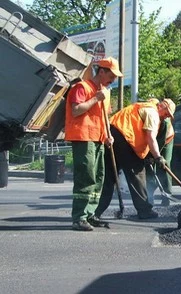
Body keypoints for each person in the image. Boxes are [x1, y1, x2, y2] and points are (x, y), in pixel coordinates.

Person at [64, 56, 123, 231]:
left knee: (99, 177)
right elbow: (76, 110)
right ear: (102, 71)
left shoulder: (105, 91)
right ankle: (79, 217)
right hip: (83, 138)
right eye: (111, 75)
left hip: (98, 139)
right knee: (86, 177)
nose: (113, 80)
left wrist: (107, 135)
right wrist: (96, 98)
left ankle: (90, 214)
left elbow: (103, 117)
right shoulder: (82, 87)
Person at [93, 98, 176, 220]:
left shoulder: (141, 106)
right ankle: (144, 210)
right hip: (126, 140)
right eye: (166, 113)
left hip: (111, 136)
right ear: (161, 107)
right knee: (137, 173)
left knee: (108, 176)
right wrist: (158, 157)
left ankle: (95, 212)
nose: (166, 117)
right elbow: (150, 137)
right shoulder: (152, 113)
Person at [145, 109, 175, 206]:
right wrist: (149, 155)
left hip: (165, 142)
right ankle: (149, 196)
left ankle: (167, 195)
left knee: (163, 165)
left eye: (168, 115)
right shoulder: (150, 114)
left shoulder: (165, 122)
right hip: (152, 141)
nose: (167, 116)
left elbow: (160, 142)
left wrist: (157, 157)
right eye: (166, 113)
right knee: (149, 169)